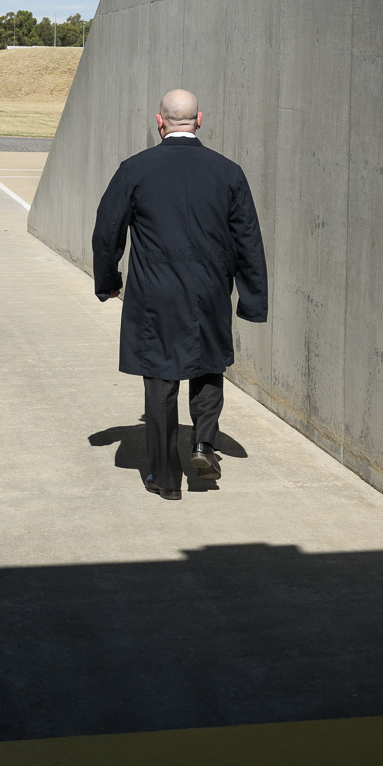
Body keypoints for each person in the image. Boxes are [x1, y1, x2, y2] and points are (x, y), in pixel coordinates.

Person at [92, 89, 268, 501]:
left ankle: (166, 478)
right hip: (208, 289)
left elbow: (107, 230)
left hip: (155, 292)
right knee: (207, 366)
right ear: (199, 120)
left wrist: (108, 280)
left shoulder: (135, 169)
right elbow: (249, 241)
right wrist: (252, 300)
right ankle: (205, 444)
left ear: (160, 122)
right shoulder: (228, 172)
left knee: (160, 379)